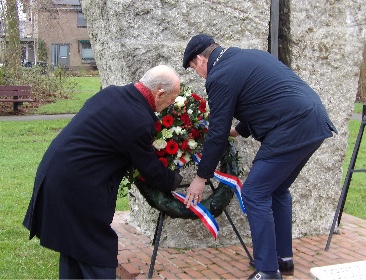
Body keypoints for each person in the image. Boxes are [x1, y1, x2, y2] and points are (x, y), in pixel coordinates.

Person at [182, 34, 337, 280]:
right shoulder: (249, 56)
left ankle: (267, 271)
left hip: (291, 128)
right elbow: (267, 98)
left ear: (200, 59)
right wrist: (239, 131)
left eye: (193, 68)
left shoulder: (219, 76)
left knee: (255, 192)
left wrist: (201, 177)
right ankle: (282, 260)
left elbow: (218, 132)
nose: (199, 74)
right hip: (315, 121)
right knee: (277, 190)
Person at [23, 65, 183, 279]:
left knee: (74, 251)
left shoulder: (113, 93)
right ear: (159, 93)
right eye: (171, 99)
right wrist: (177, 181)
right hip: (76, 189)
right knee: (98, 256)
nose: (170, 105)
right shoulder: (137, 119)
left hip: (58, 175)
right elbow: (151, 171)